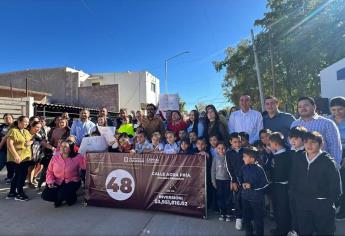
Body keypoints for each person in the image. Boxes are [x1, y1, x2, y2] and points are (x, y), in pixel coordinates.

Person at [290, 131, 341, 236]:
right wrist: (295, 196)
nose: (309, 145)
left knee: (324, 232)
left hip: (322, 205)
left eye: (313, 142)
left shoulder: (328, 162)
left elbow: (335, 185)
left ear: (321, 144)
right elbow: (294, 179)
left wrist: (328, 202)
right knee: (305, 230)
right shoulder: (299, 158)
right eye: (306, 142)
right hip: (303, 204)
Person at [291, 96, 342, 168]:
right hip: (301, 167)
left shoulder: (327, 123)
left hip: (322, 166)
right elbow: (293, 145)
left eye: (306, 105)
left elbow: (335, 146)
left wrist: (334, 166)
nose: (303, 108)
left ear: (314, 106)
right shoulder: (294, 124)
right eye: (300, 107)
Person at [42, 140, 85, 207]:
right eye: (61, 146)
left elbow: (85, 167)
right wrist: (50, 181)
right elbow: (50, 171)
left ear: (70, 148)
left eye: (65, 147)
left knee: (63, 194)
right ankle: (59, 198)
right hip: (57, 181)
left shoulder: (78, 157)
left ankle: (71, 197)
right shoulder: (55, 157)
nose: (62, 148)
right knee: (46, 195)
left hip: (72, 181)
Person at [239, 147, 269, 236]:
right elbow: (239, 177)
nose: (243, 158)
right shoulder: (243, 167)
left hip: (257, 200)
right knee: (247, 218)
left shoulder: (259, 169)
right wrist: (242, 183)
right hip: (245, 198)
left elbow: (265, 184)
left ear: (252, 159)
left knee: (258, 219)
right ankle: (249, 233)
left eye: (245, 156)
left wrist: (252, 186)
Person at [268, 132, 291, 236]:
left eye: (270, 143)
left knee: (283, 210)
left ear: (275, 144)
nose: (269, 146)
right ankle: (279, 228)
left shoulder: (285, 155)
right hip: (275, 186)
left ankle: (284, 230)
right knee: (277, 208)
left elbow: (282, 172)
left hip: (283, 186)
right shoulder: (275, 154)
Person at [38, 118, 70, 190]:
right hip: (53, 150)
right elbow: (50, 140)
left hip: (64, 151)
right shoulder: (54, 130)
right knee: (47, 169)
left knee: (60, 169)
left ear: (66, 123)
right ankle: (40, 184)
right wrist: (51, 147)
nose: (61, 123)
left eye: (63, 122)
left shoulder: (69, 131)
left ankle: (60, 185)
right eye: (60, 122)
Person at [6, 116, 32, 201]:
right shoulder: (13, 131)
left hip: (25, 158)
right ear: (19, 122)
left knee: (17, 175)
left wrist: (30, 142)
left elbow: (31, 139)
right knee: (21, 175)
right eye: (25, 122)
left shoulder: (26, 131)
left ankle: (12, 192)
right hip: (17, 158)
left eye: (27, 122)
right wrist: (16, 155)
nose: (26, 123)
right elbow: (9, 144)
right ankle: (19, 193)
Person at [288, 126, 308, 236]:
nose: (293, 141)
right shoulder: (289, 152)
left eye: (296, 138)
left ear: (304, 139)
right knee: (293, 210)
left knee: (303, 212)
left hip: (304, 189)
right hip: (292, 188)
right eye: (291, 138)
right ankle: (295, 230)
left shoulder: (306, 153)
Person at [328, 96, 345, 220]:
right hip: (332, 154)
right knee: (334, 183)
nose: (336, 112)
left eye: (340, 109)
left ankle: (343, 211)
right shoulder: (328, 121)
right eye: (333, 109)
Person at [211, 142, 234, 222]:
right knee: (220, 197)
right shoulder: (215, 157)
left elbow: (232, 170)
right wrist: (213, 181)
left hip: (227, 181)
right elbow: (213, 170)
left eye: (223, 148)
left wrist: (232, 181)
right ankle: (222, 213)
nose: (221, 150)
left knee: (228, 198)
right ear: (216, 149)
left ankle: (228, 213)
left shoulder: (229, 157)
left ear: (226, 149)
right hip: (218, 181)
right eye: (219, 148)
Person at [225, 132, 244, 231]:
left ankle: (248, 218)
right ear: (231, 142)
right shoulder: (228, 153)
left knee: (246, 199)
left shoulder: (245, 151)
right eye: (235, 142)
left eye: (239, 142)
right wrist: (233, 181)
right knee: (237, 199)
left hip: (246, 180)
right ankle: (239, 218)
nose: (237, 144)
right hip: (236, 180)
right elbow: (229, 168)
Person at [0, 113, 14, 184]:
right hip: (3, 149)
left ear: (12, 118)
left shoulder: (15, 126)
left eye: (9, 117)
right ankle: (10, 177)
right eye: (5, 118)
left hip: (12, 149)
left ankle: (10, 177)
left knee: (10, 164)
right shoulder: (1, 127)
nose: (7, 119)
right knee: (1, 163)